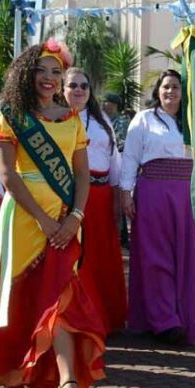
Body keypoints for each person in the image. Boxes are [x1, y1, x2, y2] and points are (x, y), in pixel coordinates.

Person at [0, 39, 105, 388]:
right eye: (42, 71)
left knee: (62, 300)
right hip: (25, 220)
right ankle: (10, 382)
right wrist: (44, 219)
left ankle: (68, 386)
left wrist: (74, 217)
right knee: (18, 301)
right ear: (27, 74)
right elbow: (7, 175)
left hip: (68, 221)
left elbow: (81, 173)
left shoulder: (71, 118)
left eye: (56, 72)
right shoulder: (10, 115)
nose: (50, 78)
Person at [119, 69, 195, 346]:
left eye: (177, 87)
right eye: (166, 87)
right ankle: (164, 320)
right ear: (158, 90)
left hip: (188, 193)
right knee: (157, 256)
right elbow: (130, 157)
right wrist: (126, 192)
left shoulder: (194, 120)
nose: (171, 92)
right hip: (154, 190)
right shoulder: (144, 119)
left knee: (188, 255)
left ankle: (187, 316)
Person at [64, 67, 126, 335]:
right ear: (62, 89)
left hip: (101, 197)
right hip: (71, 196)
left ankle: (104, 317)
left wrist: (118, 199)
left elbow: (114, 162)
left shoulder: (102, 121)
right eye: (73, 86)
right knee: (78, 259)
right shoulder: (56, 120)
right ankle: (79, 319)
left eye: (84, 86)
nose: (79, 90)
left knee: (101, 256)